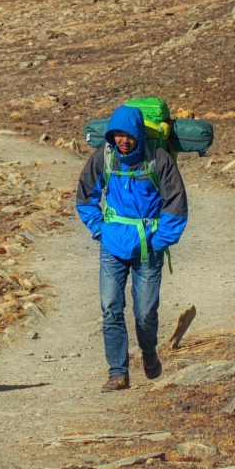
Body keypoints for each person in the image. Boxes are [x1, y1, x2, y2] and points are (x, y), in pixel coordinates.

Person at [76, 104, 188, 390]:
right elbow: (85, 196)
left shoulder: (158, 159)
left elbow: (176, 203)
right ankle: (118, 372)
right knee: (111, 308)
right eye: (117, 134)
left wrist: (160, 240)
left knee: (145, 312)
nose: (123, 140)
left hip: (147, 246)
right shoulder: (105, 157)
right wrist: (99, 229)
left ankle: (148, 352)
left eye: (128, 135)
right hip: (112, 246)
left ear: (139, 133)